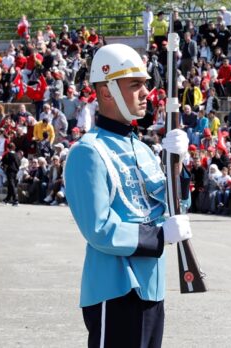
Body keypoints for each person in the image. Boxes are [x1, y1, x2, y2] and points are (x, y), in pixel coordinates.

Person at [64, 43, 192, 348]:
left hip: (152, 287)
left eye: (145, 85)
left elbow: (172, 207)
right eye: (135, 85)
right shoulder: (88, 151)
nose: (146, 92)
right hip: (115, 288)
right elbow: (99, 229)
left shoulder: (145, 149)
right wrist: (159, 237)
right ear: (107, 91)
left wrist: (178, 166)